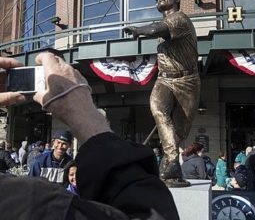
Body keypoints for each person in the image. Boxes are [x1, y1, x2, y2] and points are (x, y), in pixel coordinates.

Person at [0, 52, 179, 219]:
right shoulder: (29, 198)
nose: (62, 146)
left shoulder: (67, 164)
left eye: (65, 143)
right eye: (59, 142)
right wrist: (85, 116)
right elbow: (151, 213)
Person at [123, 0, 200, 187]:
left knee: (179, 133)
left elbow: (159, 29)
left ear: (177, 0)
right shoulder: (166, 21)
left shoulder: (179, 19)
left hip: (187, 82)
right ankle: (172, 160)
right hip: (165, 79)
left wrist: (139, 30)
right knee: (158, 109)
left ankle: (170, 170)